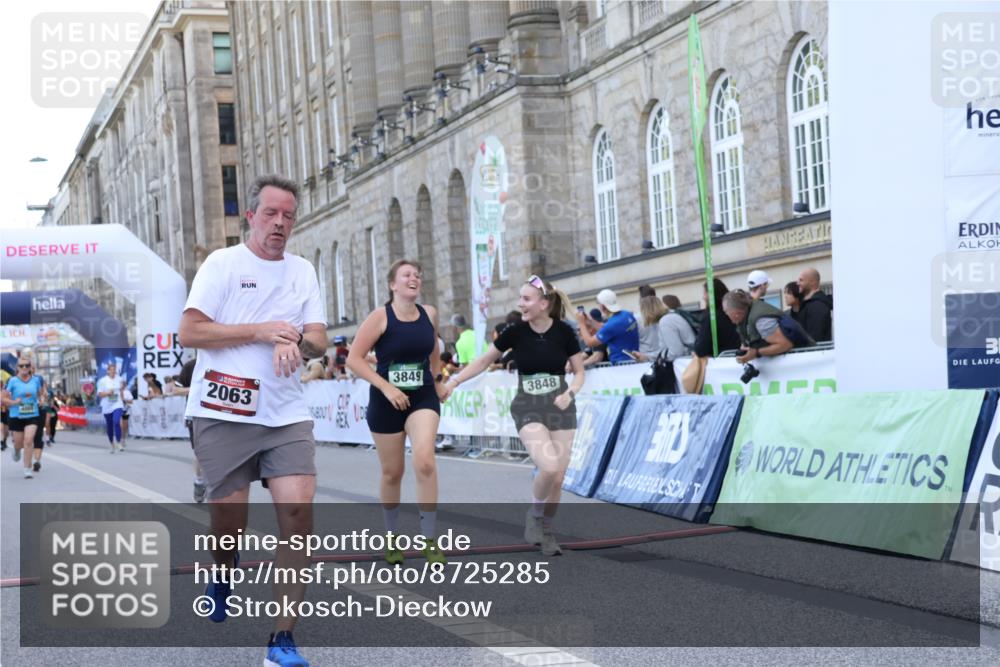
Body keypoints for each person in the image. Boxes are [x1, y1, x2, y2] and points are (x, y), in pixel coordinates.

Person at [177, 173, 327, 667]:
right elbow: (190, 332)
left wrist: (295, 343)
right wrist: (262, 331)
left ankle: (281, 640)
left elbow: (319, 341)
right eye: (271, 214)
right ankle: (223, 570)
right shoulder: (222, 264)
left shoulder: (302, 271)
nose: (280, 223)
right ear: (251, 216)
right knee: (230, 521)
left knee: (298, 516)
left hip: (285, 413)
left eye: (288, 215)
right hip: (222, 411)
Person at [443, 275, 585, 556]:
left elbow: (579, 371)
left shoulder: (565, 332)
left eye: (526, 299)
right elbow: (484, 361)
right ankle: (534, 515)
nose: (521, 304)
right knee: (548, 466)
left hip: (560, 406)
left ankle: (546, 531)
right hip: (528, 407)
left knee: (558, 477)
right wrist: (454, 382)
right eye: (520, 298)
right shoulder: (514, 332)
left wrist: (570, 393)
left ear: (544, 303)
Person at [347, 259, 448, 566]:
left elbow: (433, 349)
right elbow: (354, 358)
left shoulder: (429, 313)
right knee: (393, 472)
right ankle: (392, 538)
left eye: (417, 274)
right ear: (393, 284)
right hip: (386, 401)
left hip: (422, 398)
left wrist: (438, 378)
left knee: (425, 461)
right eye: (406, 275)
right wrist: (387, 387)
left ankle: (430, 539)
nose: (413, 278)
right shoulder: (380, 317)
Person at [723, 289, 808, 365]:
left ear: (736, 313)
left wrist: (757, 353)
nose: (725, 315)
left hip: (803, 362)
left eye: (726, 311)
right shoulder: (745, 317)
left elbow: (785, 344)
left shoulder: (761, 321)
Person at [4, 357, 46, 478]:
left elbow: (40, 394)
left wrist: (41, 400)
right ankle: (16, 450)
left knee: (28, 441)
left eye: (27, 365)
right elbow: (3, 398)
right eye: (21, 366)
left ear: (30, 366)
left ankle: (27, 468)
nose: (24, 368)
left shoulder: (36, 380)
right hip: (16, 415)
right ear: (17, 367)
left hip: (32, 414)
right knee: (19, 444)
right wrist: (14, 402)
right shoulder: (12, 381)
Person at [575, 288, 640, 364]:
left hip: (621, 365)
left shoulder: (612, 324)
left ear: (603, 306)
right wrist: (590, 320)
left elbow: (589, 342)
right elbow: (607, 329)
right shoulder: (627, 315)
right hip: (634, 361)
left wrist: (581, 323)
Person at [692, 278, 742, 357]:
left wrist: (696, 351)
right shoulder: (736, 311)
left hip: (721, 361)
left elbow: (701, 348)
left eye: (705, 293)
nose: (703, 297)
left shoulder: (711, 317)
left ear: (711, 294)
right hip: (740, 357)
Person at [637, 296, 697, 362]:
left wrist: (658, 358)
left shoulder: (666, 322)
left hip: (687, 362)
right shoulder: (670, 317)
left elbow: (675, 353)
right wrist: (646, 356)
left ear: (647, 311)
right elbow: (669, 350)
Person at [797, 268, 834, 342]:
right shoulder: (808, 304)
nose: (797, 283)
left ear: (812, 282)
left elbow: (815, 338)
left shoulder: (817, 306)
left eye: (801, 280)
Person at [97, 363, 126, 453]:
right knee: (109, 426)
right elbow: (100, 394)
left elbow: (122, 389)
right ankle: (111, 443)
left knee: (117, 421)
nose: (113, 371)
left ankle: (118, 442)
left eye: (114, 369)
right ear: (108, 371)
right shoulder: (103, 381)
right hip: (107, 405)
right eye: (111, 370)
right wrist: (108, 393)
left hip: (117, 403)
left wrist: (122, 393)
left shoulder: (120, 379)